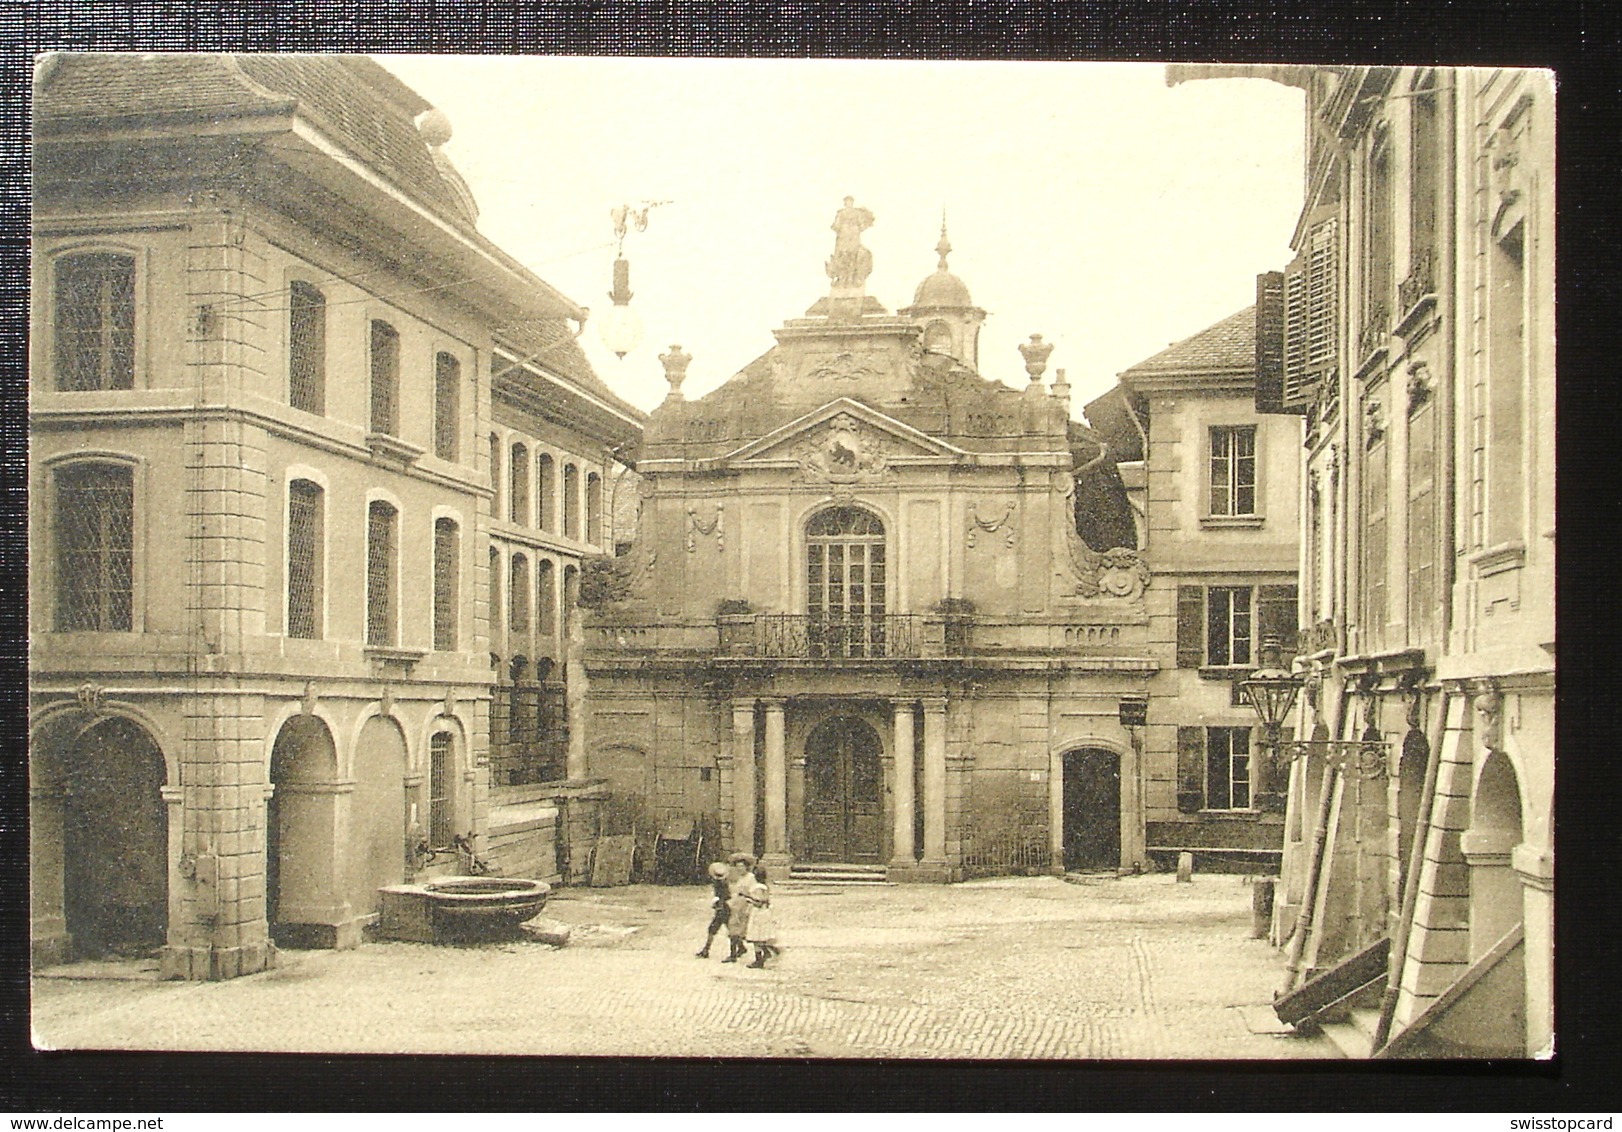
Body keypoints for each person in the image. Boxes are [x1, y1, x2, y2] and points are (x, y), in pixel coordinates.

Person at [744, 864, 779, 969]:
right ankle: (765, 953)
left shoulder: (757, 887)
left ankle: (759, 959)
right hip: (765, 912)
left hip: (758, 913)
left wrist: (748, 899)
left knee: (756, 936)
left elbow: (759, 902)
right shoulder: (765, 886)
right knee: (761, 935)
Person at [722, 853, 755, 963]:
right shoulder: (739, 878)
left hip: (745, 904)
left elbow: (753, 892)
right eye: (738, 867)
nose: (740, 869)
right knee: (733, 929)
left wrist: (748, 903)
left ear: (747, 867)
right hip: (736, 905)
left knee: (742, 931)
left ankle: (767, 949)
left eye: (742, 866)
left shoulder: (751, 878)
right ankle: (734, 953)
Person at [695, 861, 730, 958]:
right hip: (725, 908)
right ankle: (740, 947)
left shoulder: (719, 884)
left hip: (722, 908)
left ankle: (706, 950)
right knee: (729, 929)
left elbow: (723, 896)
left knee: (713, 929)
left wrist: (718, 905)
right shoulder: (723, 883)